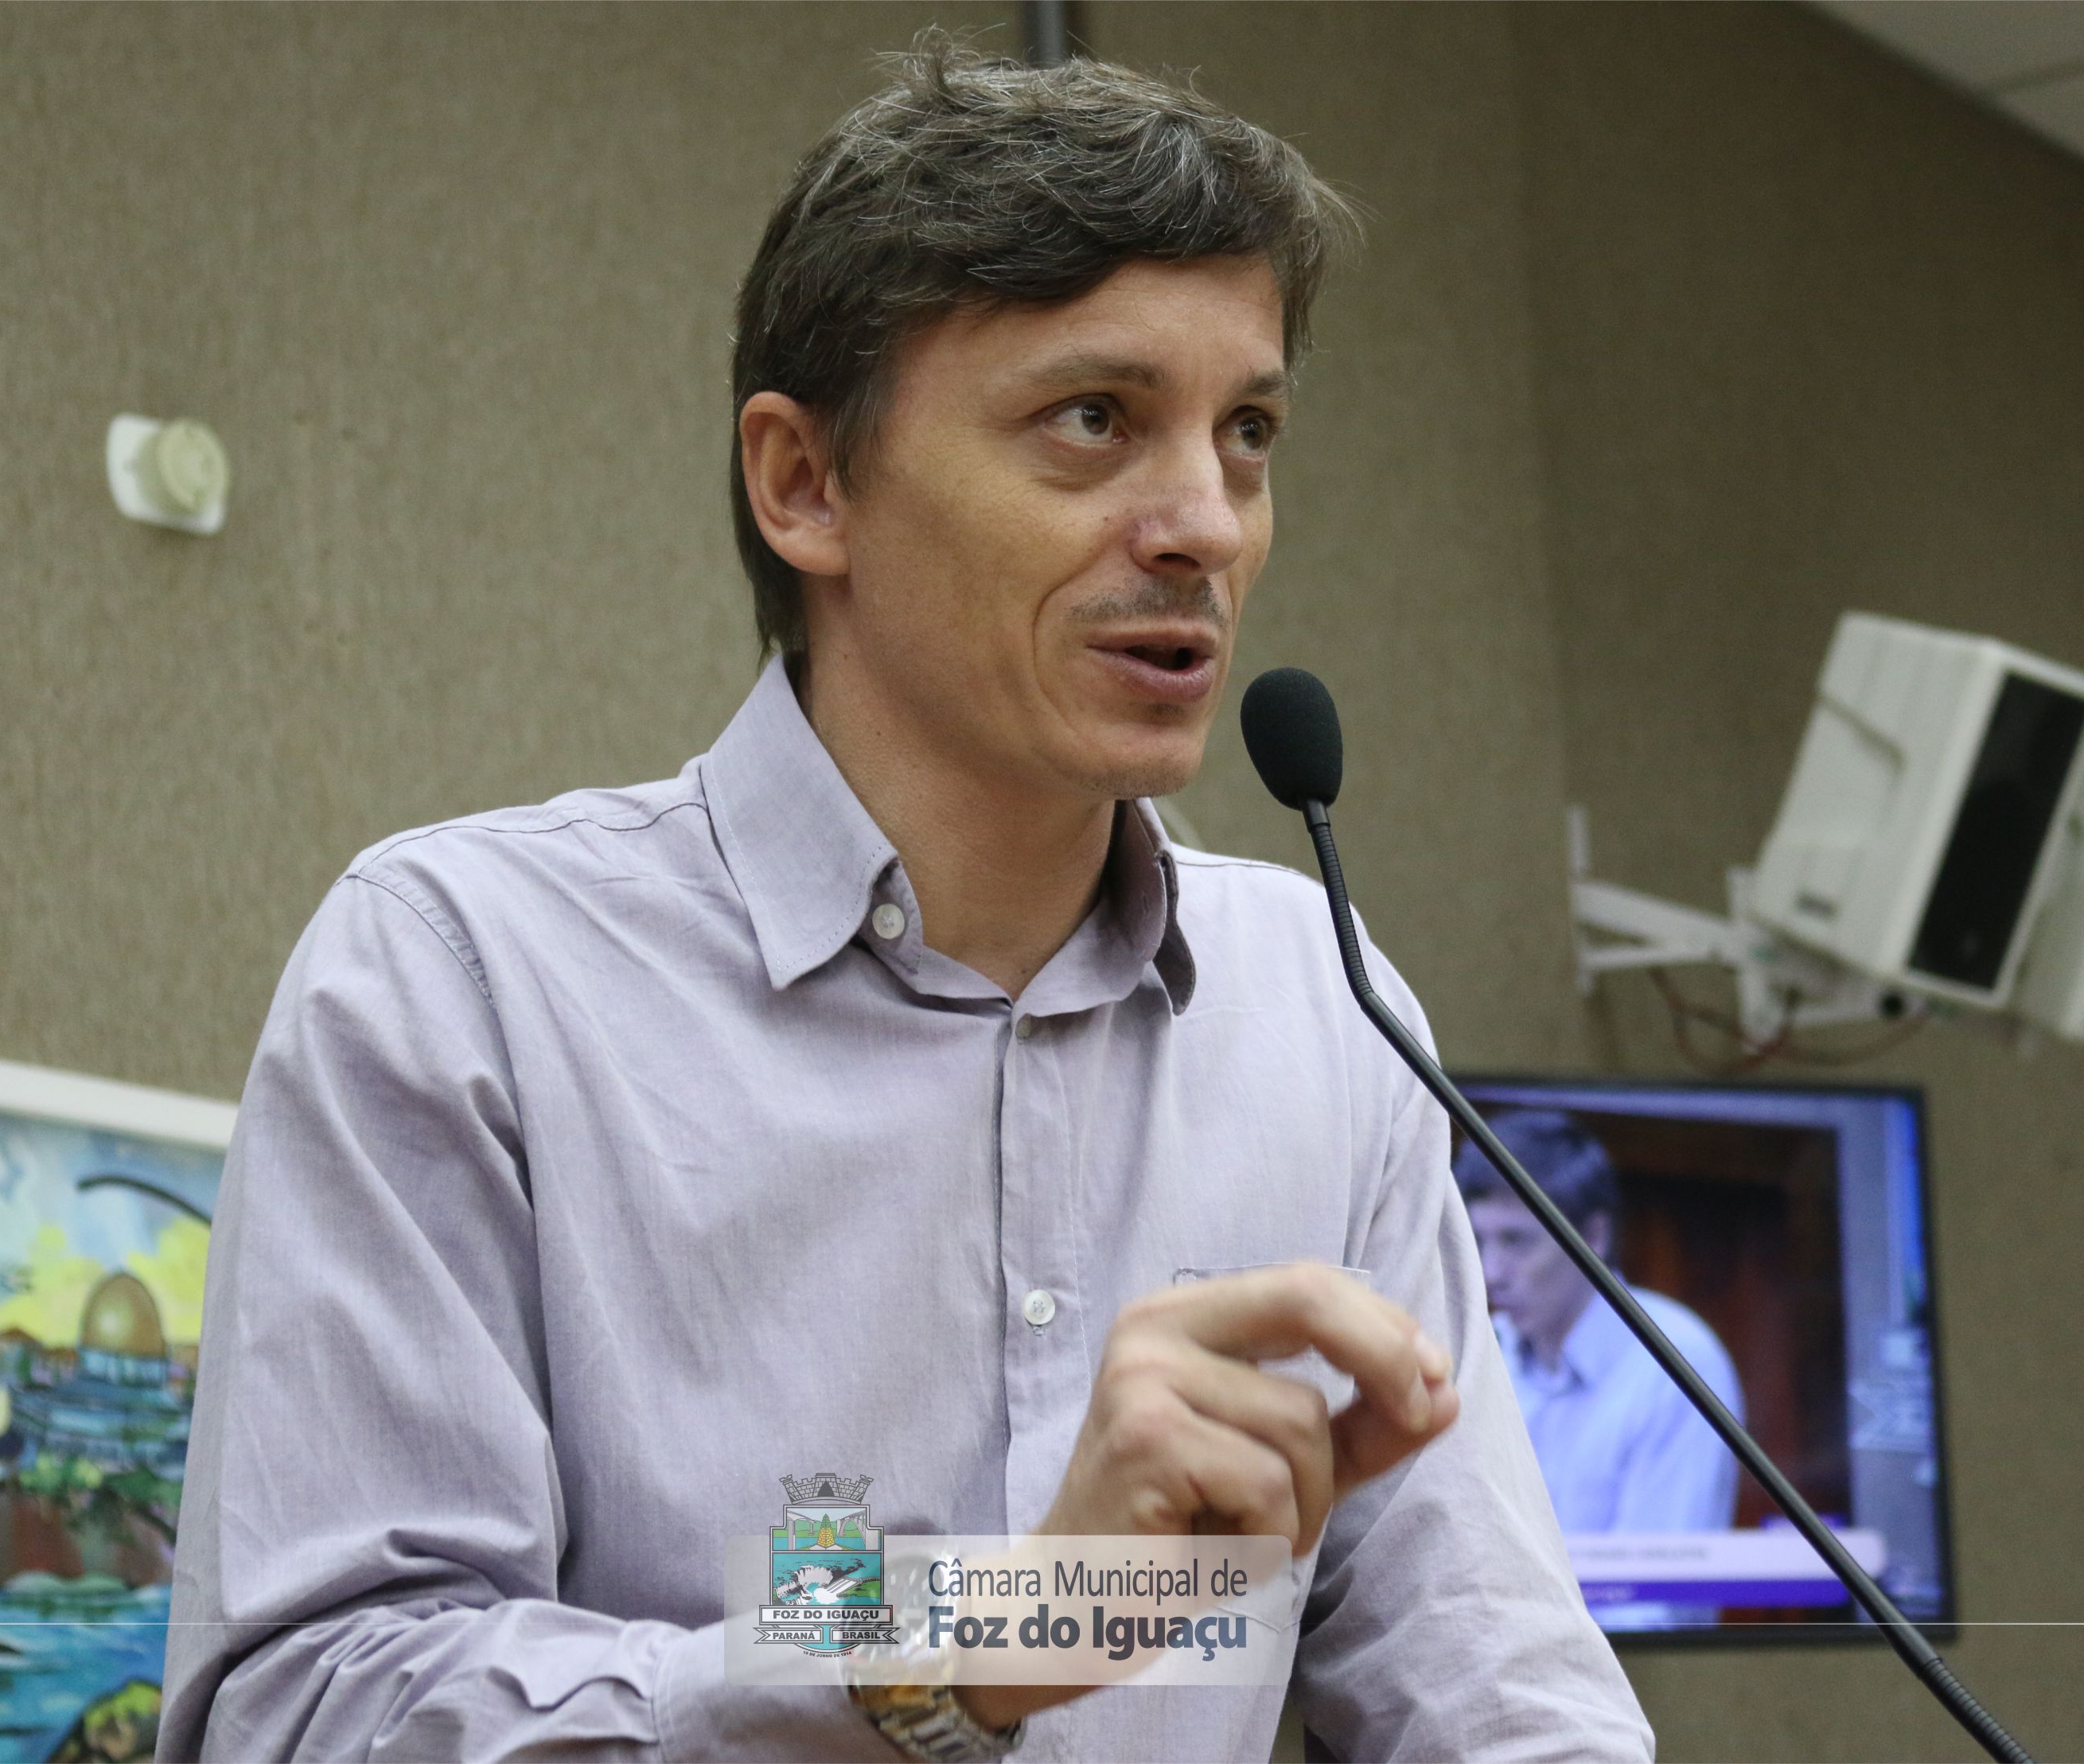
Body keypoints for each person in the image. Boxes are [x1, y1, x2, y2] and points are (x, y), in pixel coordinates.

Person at [160, 34, 1650, 1762]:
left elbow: (1495, 1682)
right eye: (1094, 420)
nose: (1206, 526)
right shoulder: (462, 973)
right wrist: (981, 1630)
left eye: (1245, 433)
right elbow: (303, 1706)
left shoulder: (1320, 1007)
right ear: (807, 485)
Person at [1456, 1111, 1743, 1631]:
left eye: (1516, 1241)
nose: (1491, 1272)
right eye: (1479, 1240)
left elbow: (1657, 1611)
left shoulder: (1677, 1359)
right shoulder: (1478, 1351)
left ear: (1593, 1234)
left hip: (1629, 1677)